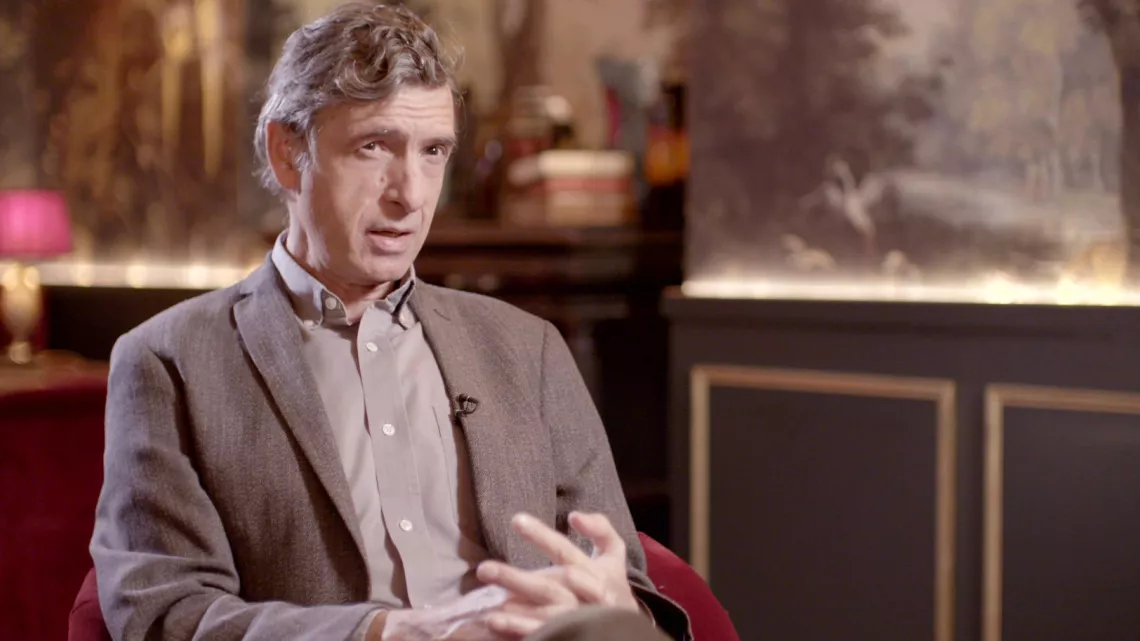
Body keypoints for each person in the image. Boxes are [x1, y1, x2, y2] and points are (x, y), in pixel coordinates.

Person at [90, 3, 690, 641]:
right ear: (288, 153)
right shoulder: (171, 360)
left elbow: (624, 586)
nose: (412, 194)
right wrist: (388, 632)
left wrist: (622, 607)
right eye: (373, 147)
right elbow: (166, 615)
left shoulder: (528, 347)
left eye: (433, 152)